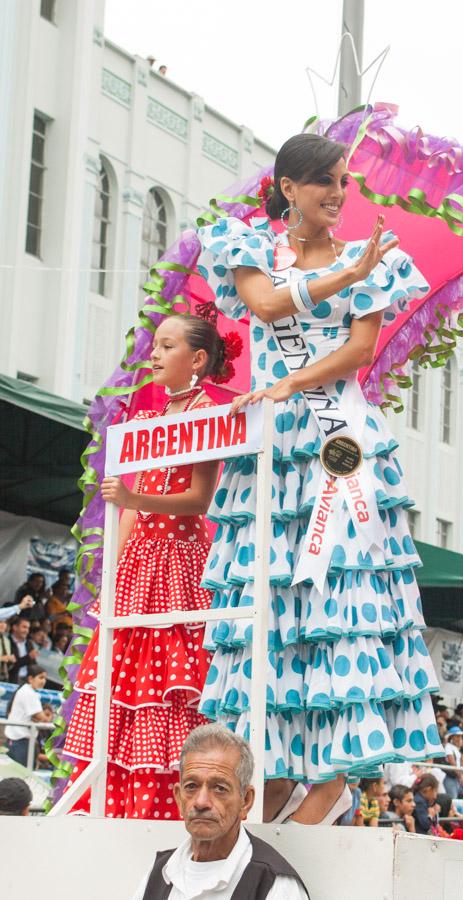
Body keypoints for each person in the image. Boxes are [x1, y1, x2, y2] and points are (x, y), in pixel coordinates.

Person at [196, 131, 441, 826]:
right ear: (288, 186)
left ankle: (330, 777)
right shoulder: (248, 245)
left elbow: (361, 350)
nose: (339, 194)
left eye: (345, 182)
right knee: (267, 612)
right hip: (270, 452)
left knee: (339, 607)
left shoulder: (379, 261)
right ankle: (264, 784)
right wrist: (347, 273)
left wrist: (296, 380)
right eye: (326, 181)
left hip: (338, 442)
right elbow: (268, 307)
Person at [61, 313, 228, 818]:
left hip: (178, 559)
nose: (154, 354)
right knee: (123, 678)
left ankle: (161, 806)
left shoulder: (207, 413)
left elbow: (200, 499)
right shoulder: (147, 419)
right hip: (140, 559)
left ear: (196, 359)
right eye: (155, 345)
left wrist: (137, 497)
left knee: (168, 685)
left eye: (167, 345)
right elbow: (132, 504)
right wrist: (112, 569)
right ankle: (110, 804)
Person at [132, 723, 309, 900]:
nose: (201, 802)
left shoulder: (273, 884)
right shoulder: (160, 873)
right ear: (179, 798)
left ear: (245, 801)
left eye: (219, 788)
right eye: (191, 786)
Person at [5, 665, 53, 766]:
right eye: (40, 677)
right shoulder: (29, 693)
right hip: (20, 743)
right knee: (21, 777)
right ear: (30, 678)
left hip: (15, 741)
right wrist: (48, 717)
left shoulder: (24, 690)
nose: (43, 681)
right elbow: (42, 718)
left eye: (45, 678)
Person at [6, 616, 38, 683]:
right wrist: (28, 657)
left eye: (28, 628)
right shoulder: (7, 642)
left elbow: (33, 663)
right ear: (15, 627)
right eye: (24, 627)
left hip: (27, 680)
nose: (27, 631)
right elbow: (10, 666)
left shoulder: (29, 643)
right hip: (11, 680)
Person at [442, 726, 463, 799]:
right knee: (452, 799)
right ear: (451, 737)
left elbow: (458, 763)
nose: (459, 739)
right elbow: (452, 762)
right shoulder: (448, 747)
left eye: (460, 737)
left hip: (455, 777)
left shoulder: (455, 748)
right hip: (450, 777)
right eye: (457, 736)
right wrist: (460, 775)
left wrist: (460, 774)